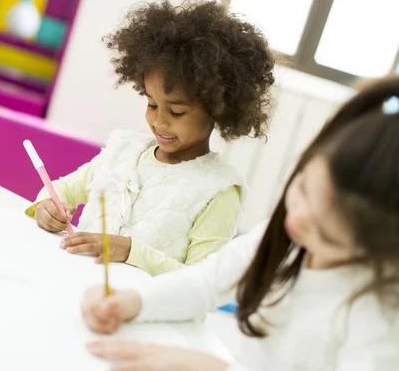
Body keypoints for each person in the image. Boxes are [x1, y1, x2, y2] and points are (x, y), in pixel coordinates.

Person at [80, 77, 399, 370]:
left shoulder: (379, 321)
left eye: (325, 233)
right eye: (302, 190)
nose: (298, 219)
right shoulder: (282, 238)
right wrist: (133, 302)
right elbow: (206, 282)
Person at [26, 0, 276, 276]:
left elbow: (203, 282)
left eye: (177, 111)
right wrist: (46, 207)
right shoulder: (121, 151)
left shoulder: (218, 191)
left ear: (218, 109)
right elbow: (63, 190)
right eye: (152, 104)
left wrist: (133, 252)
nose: (159, 121)